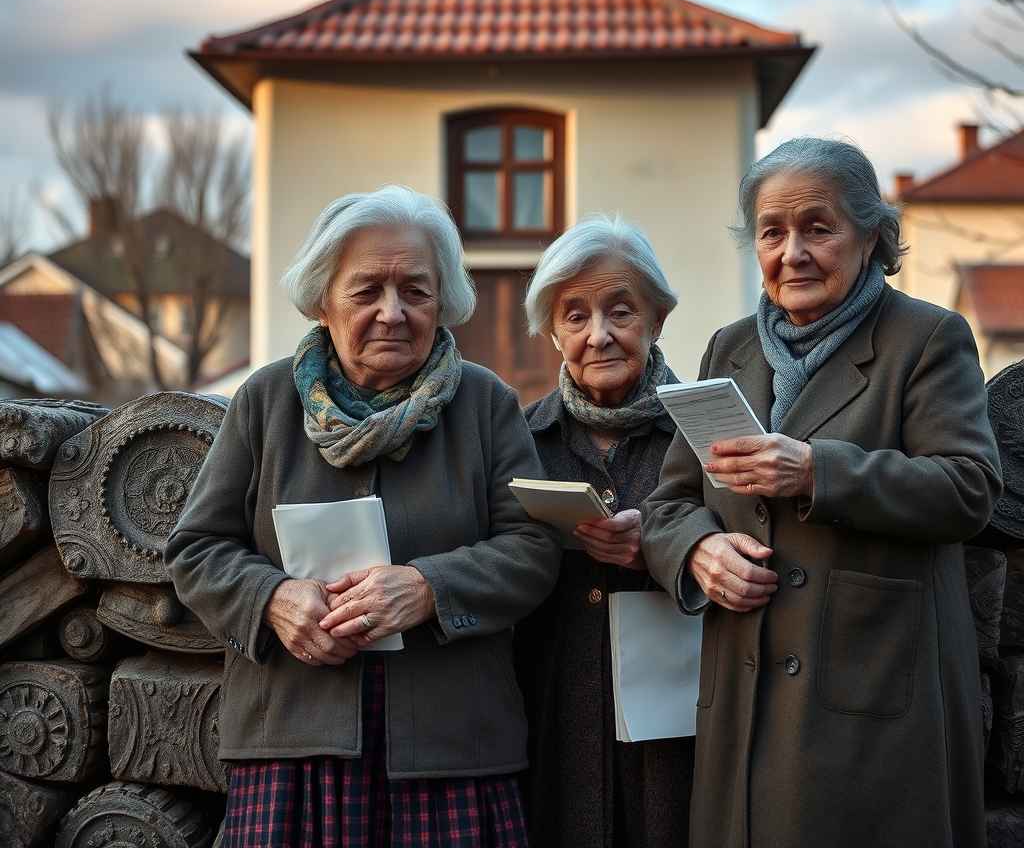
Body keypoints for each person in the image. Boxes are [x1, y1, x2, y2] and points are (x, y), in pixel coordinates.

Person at [165, 185, 562, 848]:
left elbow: (533, 548)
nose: (392, 312)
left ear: (443, 300)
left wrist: (432, 587)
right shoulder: (264, 403)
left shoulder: (486, 405)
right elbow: (197, 549)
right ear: (323, 299)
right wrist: (273, 599)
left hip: (453, 750)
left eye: (415, 290)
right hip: (292, 749)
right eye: (367, 290)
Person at [641, 137, 1002, 848]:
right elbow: (668, 505)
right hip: (745, 703)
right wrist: (698, 551)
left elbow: (970, 489)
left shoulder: (927, 339)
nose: (792, 252)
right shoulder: (729, 348)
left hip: (876, 704)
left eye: (818, 228)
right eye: (772, 232)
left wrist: (817, 471)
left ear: (870, 236)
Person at [513, 214, 695, 848]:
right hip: (551, 715)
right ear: (552, 332)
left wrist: (670, 543)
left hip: (680, 728)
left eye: (621, 311)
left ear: (656, 319)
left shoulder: (707, 435)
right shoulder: (518, 440)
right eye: (574, 316)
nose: (599, 335)